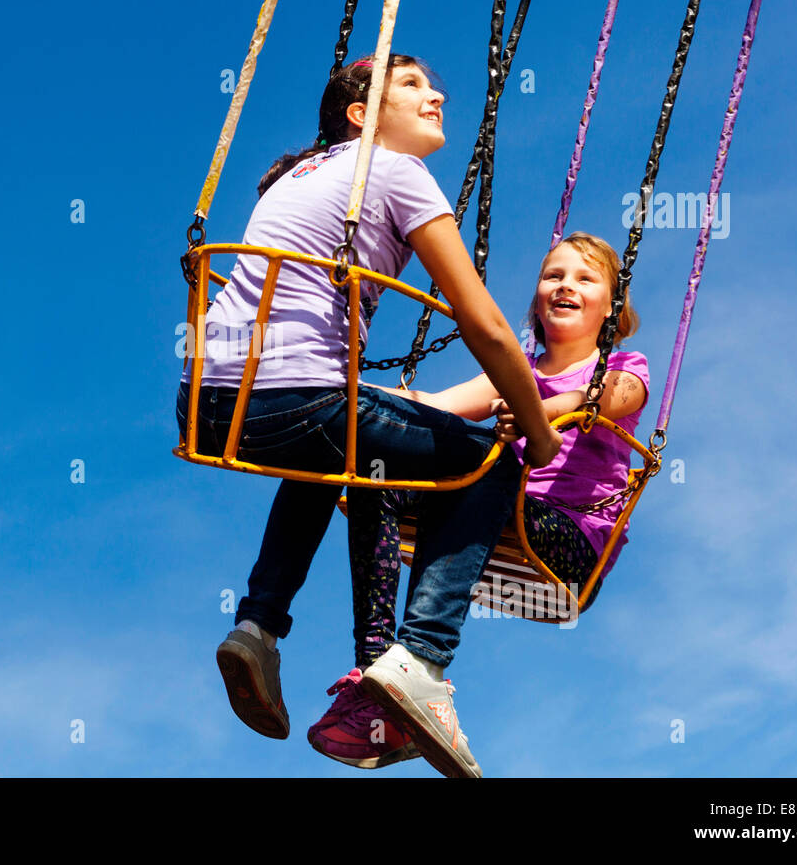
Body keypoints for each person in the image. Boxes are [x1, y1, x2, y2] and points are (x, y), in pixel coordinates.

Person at [174, 54, 564, 771]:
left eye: (432, 82)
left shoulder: (300, 175)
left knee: (341, 454)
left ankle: (260, 627)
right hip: (297, 396)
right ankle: (420, 661)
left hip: (209, 403)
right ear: (361, 115)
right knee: (487, 463)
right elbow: (485, 325)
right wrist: (537, 435)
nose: (436, 94)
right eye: (411, 84)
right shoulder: (391, 170)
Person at [309, 233, 649, 773]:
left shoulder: (626, 366)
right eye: (553, 276)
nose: (565, 286)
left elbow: (606, 397)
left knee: (482, 468)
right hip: (496, 512)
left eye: (585, 279)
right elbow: (431, 403)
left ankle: (424, 657)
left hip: (568, 539)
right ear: (537, 298)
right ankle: (377, 665)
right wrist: (334, 388)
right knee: (376, 466)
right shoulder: (515, 373)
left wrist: (539, 410)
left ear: (612, 307)